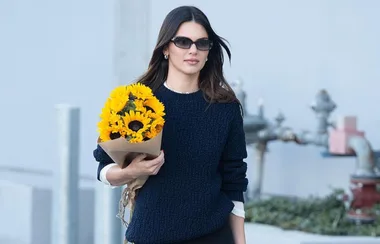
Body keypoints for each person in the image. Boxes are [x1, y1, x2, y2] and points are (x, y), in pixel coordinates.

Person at [93, 5, 248, 244]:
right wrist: (131, 172)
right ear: (166, 47)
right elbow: (103, 168)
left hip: (213, 236)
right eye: (183, 42)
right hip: (151, 235)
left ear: (209, 51)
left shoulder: (225, 108)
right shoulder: (137, 104)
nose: (193, 50)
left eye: (202, 43)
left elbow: (234, 181)